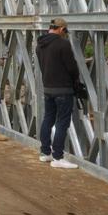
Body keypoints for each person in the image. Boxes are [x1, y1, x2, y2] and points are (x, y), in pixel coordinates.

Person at [37, 17, 79, 169]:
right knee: (62, 122)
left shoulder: (40, 44)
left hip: (48, 88)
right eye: (65, 31)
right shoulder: (63, 44)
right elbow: (72, 67)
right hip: (63, 89)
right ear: (61, 29)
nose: (65, 34)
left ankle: (45, 153)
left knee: (48, 119)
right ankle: (58, 157)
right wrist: (76, 81)